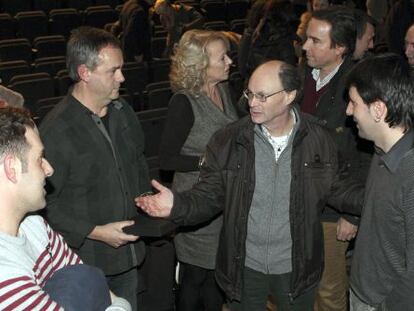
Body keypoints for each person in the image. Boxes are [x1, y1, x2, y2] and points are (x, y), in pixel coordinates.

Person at [137, 60, 363, 310]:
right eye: (249, 94)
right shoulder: (230, 140)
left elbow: (342, 189)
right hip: (244, 268)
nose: (252, 103)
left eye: (262, 96)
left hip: (296, 268)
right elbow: (209, 195)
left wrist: (382, 196)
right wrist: (177, 205)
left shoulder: (318, 140)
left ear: (289, 96)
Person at [39, 27, 151, 311]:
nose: (122, 78)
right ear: (85, 73)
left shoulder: (122, 110)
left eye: (121, 69)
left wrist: (147, 197)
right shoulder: (55, 131)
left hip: (129, 256)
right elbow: (43, 206)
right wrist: (95, 231)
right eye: (113, 71)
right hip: (84, 265)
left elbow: (138, 162)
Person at [0, 107, 131, 311]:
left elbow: (91, 282)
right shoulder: (4, 275)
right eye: (39, 159)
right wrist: (123, 305)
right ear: (12, 168)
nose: (49, 169)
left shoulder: (36, 226)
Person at [159, 29, 238, 311]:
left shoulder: (224, 90)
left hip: (222, 198)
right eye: (223, 57)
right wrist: (206, 161)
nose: (230, 61)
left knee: (216, 276)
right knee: (194, 276)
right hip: (194, 201)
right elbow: (166, 160)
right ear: (201, 65)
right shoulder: (183, 102)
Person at [301, 6, 372, 311]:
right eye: (306, 39)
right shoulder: (301, 75)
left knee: (329, 292)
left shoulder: (357, 86)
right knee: (300, 284)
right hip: (298, 200)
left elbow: (367, 155)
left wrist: (352, 214)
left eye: (315, 41)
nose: (306, 46)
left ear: (340, 47)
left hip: (333, 209)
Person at [346, 53, 414, 311]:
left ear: (378, 110)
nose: (348, 110)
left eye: (354, 103)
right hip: (363, 291)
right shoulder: (381, 150)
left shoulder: (410, 172)